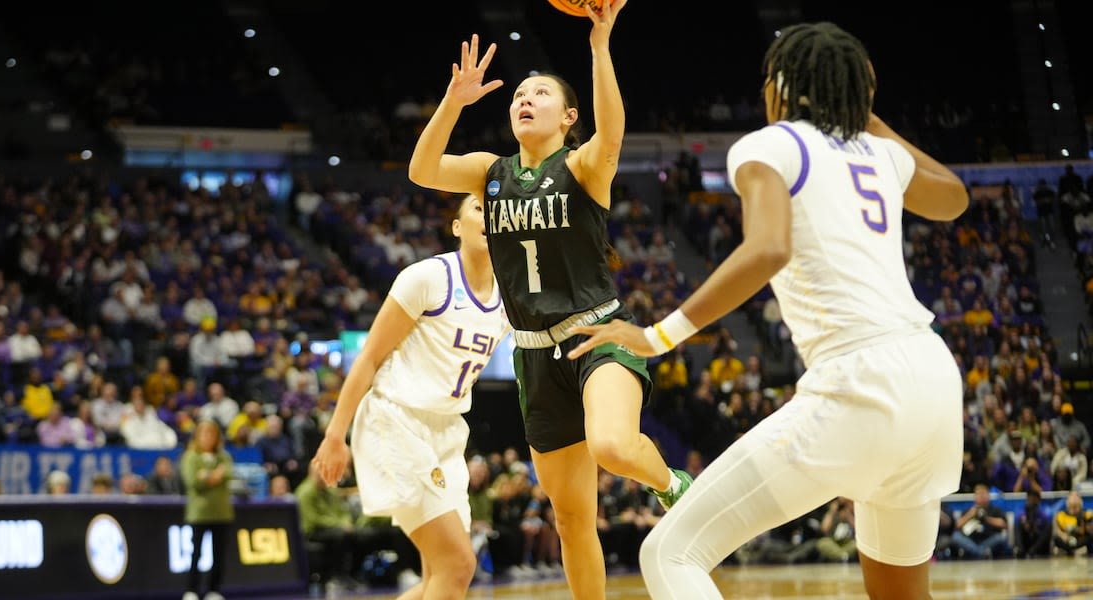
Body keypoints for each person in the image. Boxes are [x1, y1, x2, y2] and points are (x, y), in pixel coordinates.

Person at [567, 22, 969, 599]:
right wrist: (865, 114)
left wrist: (657, 336)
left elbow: (769, 248)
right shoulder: (880, 152)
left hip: (861, 380)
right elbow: (953, 197)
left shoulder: (770, 144)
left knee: (672, 552)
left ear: (780, 85)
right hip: (932, 382)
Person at [407, 3, 691, 597]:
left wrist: (599, 44)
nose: (523, 100)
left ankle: (670, 483)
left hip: (597, 335)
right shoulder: (491, 172)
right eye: (517, 96)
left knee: (613, 446)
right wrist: (454, 103)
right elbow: (423, 169)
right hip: (533, 355)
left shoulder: (584, 165)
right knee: (570, 520)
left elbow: (611, 132)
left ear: (568, 117)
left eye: (538, 94)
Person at [311, 193, 510, 599]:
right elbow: (368, 358)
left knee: (439, 577)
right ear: (456, 226)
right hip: (396, 421)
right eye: (478, 207)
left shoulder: (510, 298)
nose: (490, 214)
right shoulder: (428, 278)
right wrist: (336, 435)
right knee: (459, 565)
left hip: (448, 432)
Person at [180, 420, 234, 600]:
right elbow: (193, 482)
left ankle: (214, 590)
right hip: (199, 515)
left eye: (212, 434)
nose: (208, 437)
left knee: (219, 555)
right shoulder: (191, 457)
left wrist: (207, 476)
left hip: (222, 514)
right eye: (204, 433)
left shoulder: (224, 456)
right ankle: (192, 591)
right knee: (196, 554)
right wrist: (215, 476)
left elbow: (228, 475)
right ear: (197, 436)